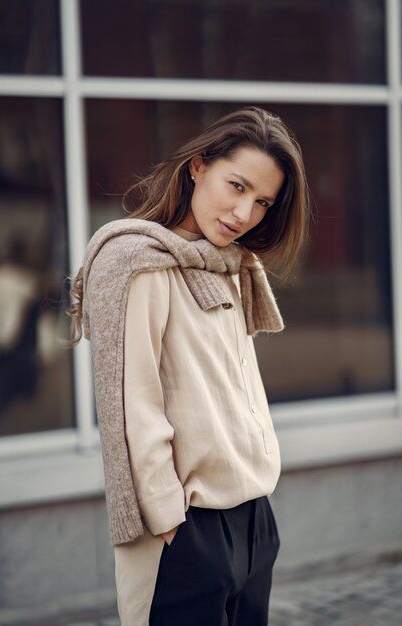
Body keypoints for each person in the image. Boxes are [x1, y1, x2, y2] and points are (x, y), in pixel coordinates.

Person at [68, 106, 308, 626]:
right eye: (236, 185)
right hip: (188, 529)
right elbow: (133, 406)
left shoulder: (228, 263)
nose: (245, 213)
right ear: (198, 166)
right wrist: (171, 524)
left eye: (263, 201)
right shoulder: (139, 262)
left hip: (252, 518)